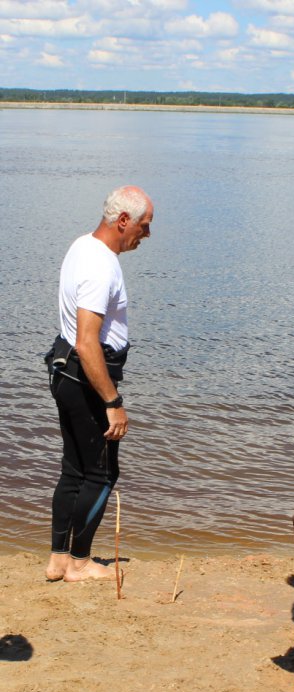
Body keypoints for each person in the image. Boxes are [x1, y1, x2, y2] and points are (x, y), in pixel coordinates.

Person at [44, 185, 154, 582]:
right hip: (87, 377)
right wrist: (113, 400)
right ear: (123, 221)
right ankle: (79, 562)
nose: (147, 233)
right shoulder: (101, 265)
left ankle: (58, 559)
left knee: (74, 469)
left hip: (66, 372)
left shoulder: (82, 246)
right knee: (102, 474)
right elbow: (87, 340)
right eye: (144, 225)